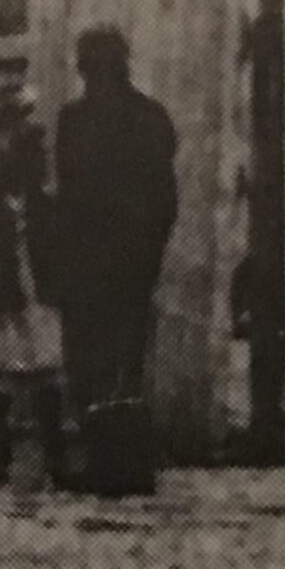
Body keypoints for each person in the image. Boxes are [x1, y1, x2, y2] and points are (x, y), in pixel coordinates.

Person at [55, 27, 179, 498]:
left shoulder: (77, 120)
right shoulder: (150, 117)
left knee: (94, 358)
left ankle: (106, 462)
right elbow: (165, 198)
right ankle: (123, 464)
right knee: (123, 358)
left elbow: (70, 194)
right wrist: (150, 249)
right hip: (125, 257)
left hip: (96, 257)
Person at [0, 90, 69, 488]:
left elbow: (54, 249)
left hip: (38, 291)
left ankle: (53, 451)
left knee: (45, 366)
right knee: (4, 369)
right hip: (5, 292)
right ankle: (0, 449)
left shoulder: (43, 207)